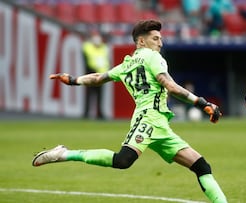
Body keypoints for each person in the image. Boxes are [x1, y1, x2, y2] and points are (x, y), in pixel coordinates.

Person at [32, 20, 228, 202]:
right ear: (141, 41)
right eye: (155, 38)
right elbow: (171, 86)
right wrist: (202, 103)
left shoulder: (126, 64)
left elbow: (99, 77)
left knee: (201, 166)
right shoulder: (153, 57)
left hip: (160, 124)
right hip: (148, 119)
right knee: (123, 160)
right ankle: (64, 154)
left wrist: (74, 80)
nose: (160, 43)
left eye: (161, 38)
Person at [82, 30, 110, 119]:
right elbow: (87, 59)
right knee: (89, 94)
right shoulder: (88, 47)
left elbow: (106, 61)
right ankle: (86, 113)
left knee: (100, 95)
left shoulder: (104, 48)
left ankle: (99, 113)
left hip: (101, 75)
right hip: (90, 73)